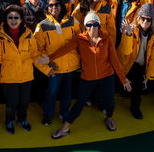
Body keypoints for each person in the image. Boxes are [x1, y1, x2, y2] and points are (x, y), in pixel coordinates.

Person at [50, 11, 130, 139]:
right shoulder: (80, 39)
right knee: (79, 103)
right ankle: (65, 128)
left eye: (95, 24)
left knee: (110, 101)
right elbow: (65, 49)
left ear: (99, 25)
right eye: (89, 25)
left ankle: (109, 118)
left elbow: (114, 60)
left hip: (106, 76)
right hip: (88, 78)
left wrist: (123, 79)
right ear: (85, 26)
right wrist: (49, 58)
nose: (92, 27)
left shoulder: (106, 38)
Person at [34, 0, 80, 127]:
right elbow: (38, 49)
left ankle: (64, 113)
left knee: (67, 92)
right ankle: (48, 115)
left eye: (57, 5)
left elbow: (79, 39)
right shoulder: (42, 26)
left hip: (71, 65)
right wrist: (47, 64)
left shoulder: (72, 21)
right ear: (47, 8)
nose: (54, 8)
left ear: (61, 6)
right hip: (55, 67)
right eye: (51, 5)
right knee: (52, 92)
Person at [0, 4, 38, 134]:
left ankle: (22, 119)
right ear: (5, 19)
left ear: (21, 19)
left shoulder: (29, 34)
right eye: (10, 17)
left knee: (24, 102)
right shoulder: (0, 37)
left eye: (16, 17)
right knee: (12, 103)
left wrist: (48, 70)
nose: (13, 20)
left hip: (26, 76)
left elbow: (35, 55)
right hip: (9, 77)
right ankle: (9, 121)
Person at [117, 3, 154, 119]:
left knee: (137, 89)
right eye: (143, 18)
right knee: (123, 88)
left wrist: (148, 77)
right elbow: (125, 51)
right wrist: (127, 34)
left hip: (141, 65)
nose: (145, 21)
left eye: (148, 19)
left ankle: (135, 107)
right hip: (129, 63)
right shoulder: (131, 29)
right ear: (138, 18)